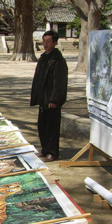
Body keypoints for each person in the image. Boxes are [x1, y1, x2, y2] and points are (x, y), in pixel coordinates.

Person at [30, 30, 68, 162]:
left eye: (48, 41)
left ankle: (52, 152)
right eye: (44, 41)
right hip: (42, 98)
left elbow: (60, 82)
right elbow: (38, 79)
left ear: (55, 43)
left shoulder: (58, 60)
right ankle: (45, 149)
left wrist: (54, 99)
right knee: (42, 125)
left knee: (52, 127)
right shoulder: (43, 58)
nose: (45, 44)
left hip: (51, 99)